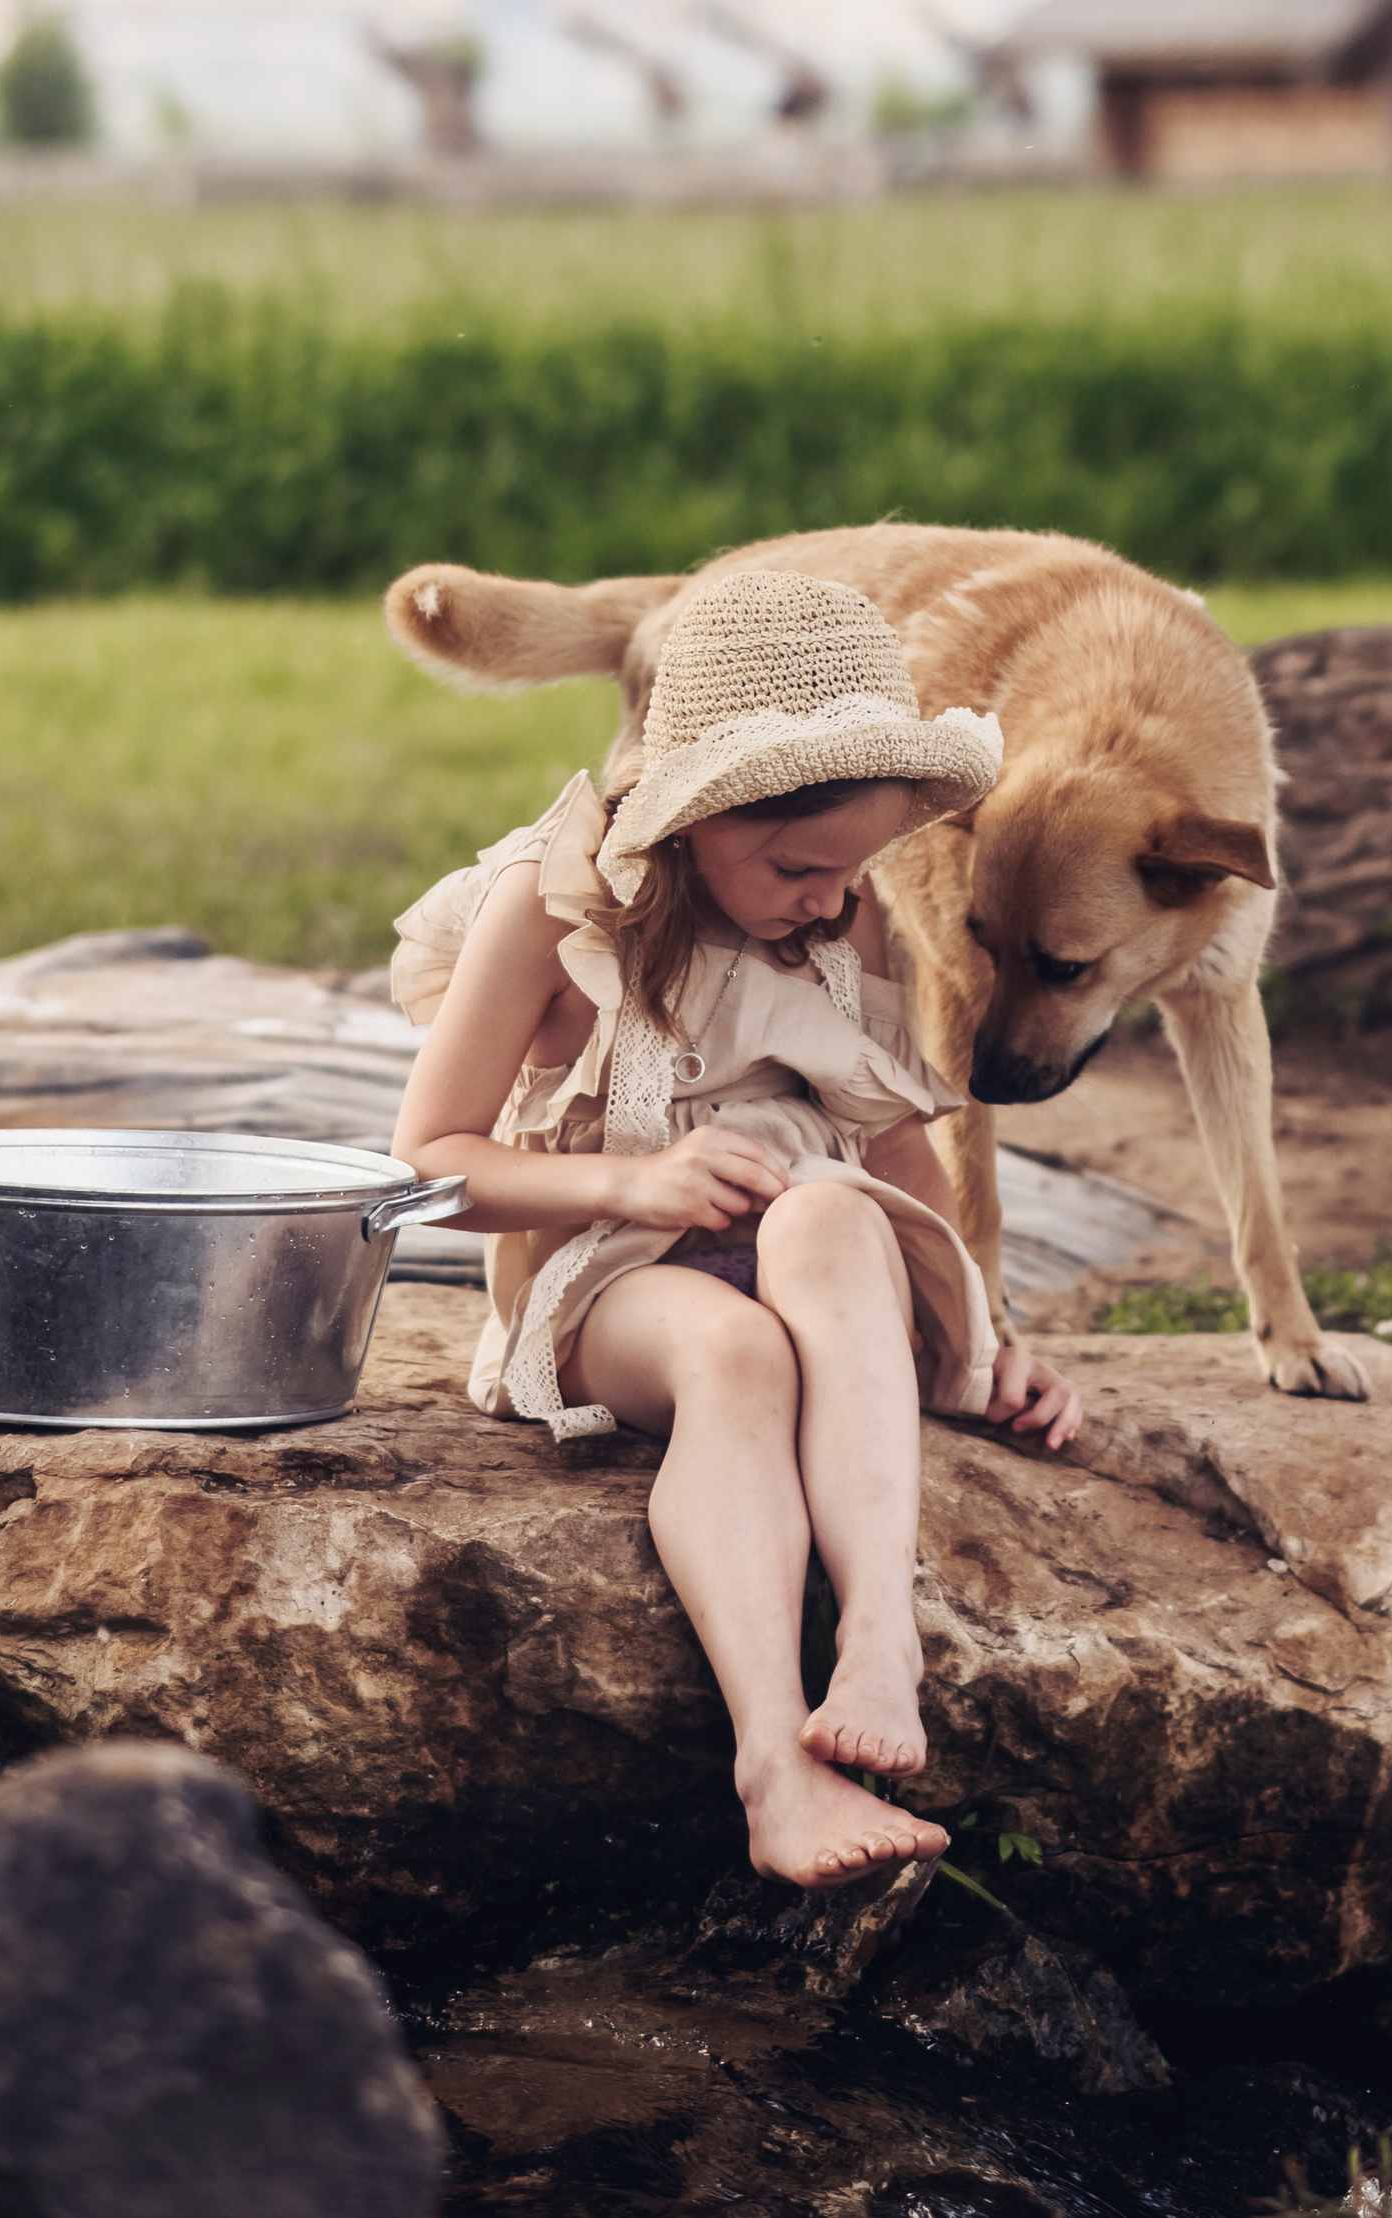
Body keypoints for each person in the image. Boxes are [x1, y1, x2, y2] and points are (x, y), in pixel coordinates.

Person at [389, 567, 1083, 1888]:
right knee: (735, 1355)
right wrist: (628, 1189)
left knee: (826, 1207)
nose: (828, 899)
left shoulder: (849, 917)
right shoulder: (555, 910)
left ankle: (881, 1626)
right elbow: (429, 1162)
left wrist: (985, 1335)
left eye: (852, 868)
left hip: (819, 1248)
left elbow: (889, 1143)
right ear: (694, 815)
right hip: (620, 1276)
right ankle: (775, 1758)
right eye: (795, 865)